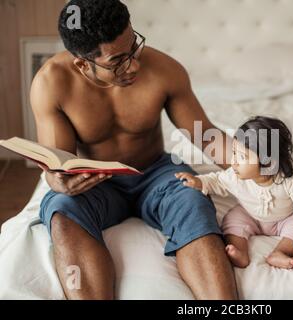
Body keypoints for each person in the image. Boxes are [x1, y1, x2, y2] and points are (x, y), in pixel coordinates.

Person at [32, 0, 236, 300]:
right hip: (96, 181)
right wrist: (56, 180)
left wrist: (264, 169)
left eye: (134, 48)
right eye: (118, 60)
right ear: (82, 64)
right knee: (61, 210)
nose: (135, 64)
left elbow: (205, 136)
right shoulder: (52, 83)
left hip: (156, 172)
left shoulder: (165, 69)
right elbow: (59, 162)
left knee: (193, 198)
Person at [176, 117, 293, 270]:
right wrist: (199, 182)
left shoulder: (292, 181)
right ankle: (239, 252)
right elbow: (217, 181)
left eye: (242, 157)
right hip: (249, 215)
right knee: (232, 220)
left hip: (284, 219)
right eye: (234, 153)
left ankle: (279, 252)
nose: (234, 162)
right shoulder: (235, 176)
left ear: (268, 162)